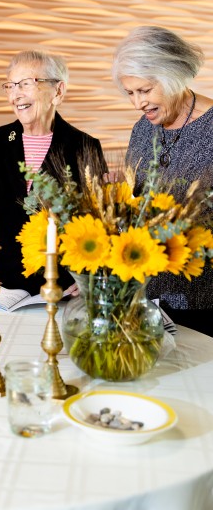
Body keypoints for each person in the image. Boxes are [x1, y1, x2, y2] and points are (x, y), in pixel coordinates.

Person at [0, 50, 106, 293]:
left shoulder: (84, 146)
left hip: (61, 284)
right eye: (10, 86)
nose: (15, 95)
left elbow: (97, 220)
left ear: (58, 91)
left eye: (26, 84)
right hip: (4, 283)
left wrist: (85, 274)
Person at [113, 25, 213, 335]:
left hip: (203, 303)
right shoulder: (142, 130)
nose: (137, 103)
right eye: (130, 93)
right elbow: (135, 200)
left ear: (174, 76)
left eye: (144, 90)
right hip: (147, 299)